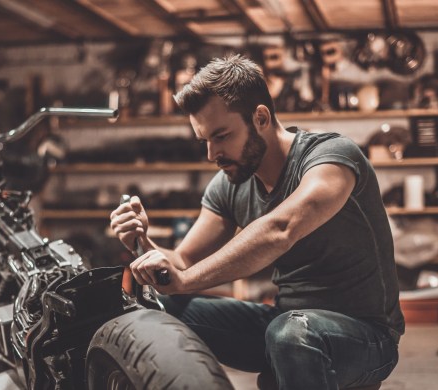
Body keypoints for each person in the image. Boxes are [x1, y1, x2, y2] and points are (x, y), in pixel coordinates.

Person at [109, 54, 404, 390]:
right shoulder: (231, 182)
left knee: (293, 334)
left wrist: (186, 279)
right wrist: (145, 246)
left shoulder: (332, 157)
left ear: (261, 117)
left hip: (366, 338)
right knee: (164, 306)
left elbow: (280, 230)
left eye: (221, 136)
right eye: (204, 140)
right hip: (286, 330)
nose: (211, 155)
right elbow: (182, 261)